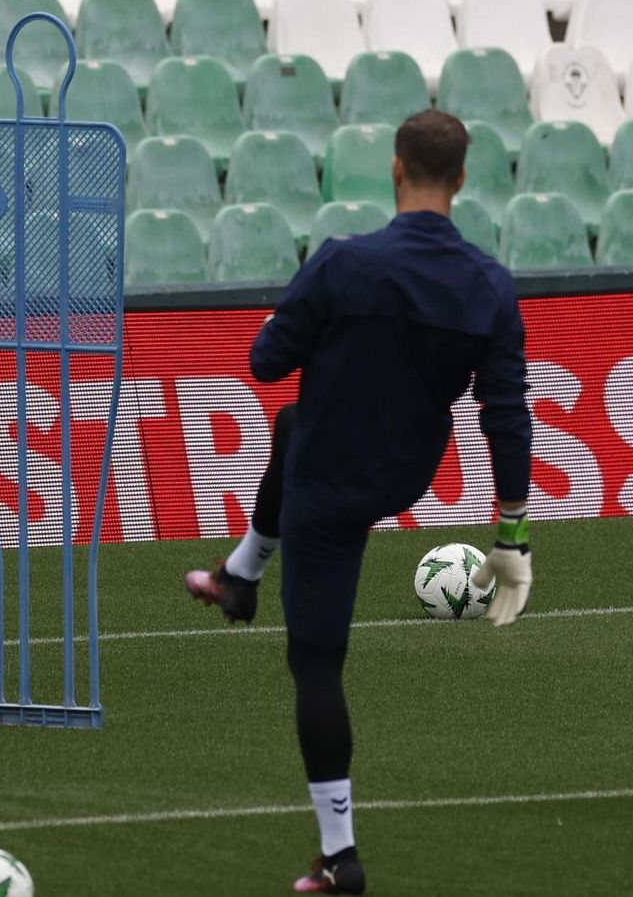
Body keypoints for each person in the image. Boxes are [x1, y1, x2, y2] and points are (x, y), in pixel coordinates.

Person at [185, 110, 534, 894]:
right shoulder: (489, 283)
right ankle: (241, 577)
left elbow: (266, 359)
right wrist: (511, 535)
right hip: (406, 467)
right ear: (464, 181)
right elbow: (506, 413)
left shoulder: (344, 264)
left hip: (331, 486)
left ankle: (340, 856)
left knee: (315, 664)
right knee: (292, 424)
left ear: (395, 169)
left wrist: (293, 317)